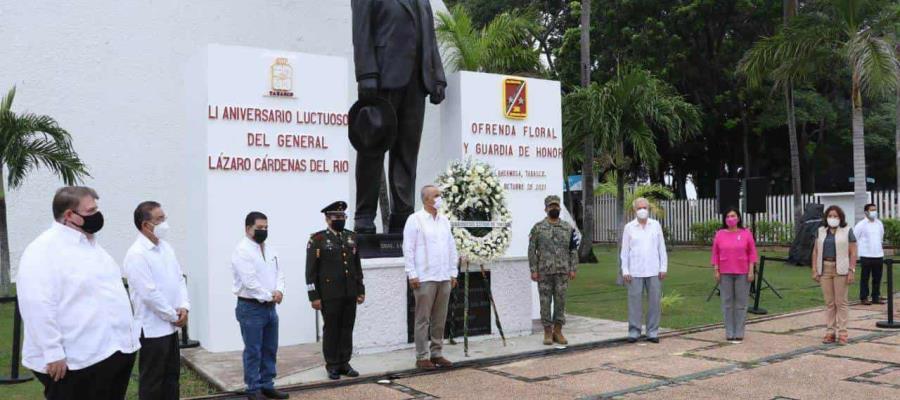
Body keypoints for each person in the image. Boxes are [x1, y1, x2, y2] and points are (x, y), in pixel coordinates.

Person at [18, 186, 140, 400]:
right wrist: (52, 352)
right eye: (91, 211)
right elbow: (36, 304)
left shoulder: (91, 245)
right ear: (69, 215)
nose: (97, 215)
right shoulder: (43, 250)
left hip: (113, 351)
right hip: (77, 361)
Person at [351, 0, 447, 234]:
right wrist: (366, 74)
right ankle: (364, 216)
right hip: (382, 76)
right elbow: (361, 30)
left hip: (417, 81)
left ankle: (403, 215)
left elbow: (429, 37)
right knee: (372, 148)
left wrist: (437, 76)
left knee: (407, 151)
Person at [124, 201, 190, 400]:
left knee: (171, 378)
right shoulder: (137, 254)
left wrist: (184, 307)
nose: (165, 223)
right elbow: (149, 294)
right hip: (152, 329)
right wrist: (173, 316)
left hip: (171, 327)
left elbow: (179, 279)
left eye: (164, 218)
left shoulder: (166, 248)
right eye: (160, 219)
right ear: (146, 225)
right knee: (153, 382)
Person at [231, 212, 289, 400]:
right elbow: (250, 283)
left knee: (270, 348)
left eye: (266, 228)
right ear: (248, 229)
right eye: (259, 228)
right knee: (253, 350)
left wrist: (279, 290)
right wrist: (270, 295)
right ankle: (253, 388)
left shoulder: (270, 249)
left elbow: (279, 273)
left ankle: (267, 384)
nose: (264, 231)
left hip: (270, 307)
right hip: (251, 307)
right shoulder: (242, 251)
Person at [306, 201, 365, 380]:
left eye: (342, 216)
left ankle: (344, 362)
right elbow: (310, 271)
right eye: (336, 217)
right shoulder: (317, 240)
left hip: (349, 291)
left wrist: (360, 289)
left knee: (347, 327)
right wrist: (313, 296)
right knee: (331, 329)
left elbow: (356, 265)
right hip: (329, 294)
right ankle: (332, 364)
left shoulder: (351, 237)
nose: (340, 219)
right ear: (327, 219)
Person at [402, 185, 458, 370]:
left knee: (440, 318)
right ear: (426, 199)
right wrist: (411, 273)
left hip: (443, 276)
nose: (440, 198)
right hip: (425, 276)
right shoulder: (415, 219)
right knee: (422, 319)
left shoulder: (444, 220)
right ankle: (422, 356)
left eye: (440, 195)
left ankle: (437, 353)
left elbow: (451, 247)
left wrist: (453, 272)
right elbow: (408, 248)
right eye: (436, 195)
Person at [528, 195, 578, 345]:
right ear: (546, 209)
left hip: (562, 272)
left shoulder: (568, 228)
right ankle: (547, 332)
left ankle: (558, 331)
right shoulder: (538, 228)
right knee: (545, 302)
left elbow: (573, 250)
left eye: (556, 206)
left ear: (560, 208)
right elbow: (532, 250)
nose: (554, 208)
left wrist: (573, 268)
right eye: (551, 206)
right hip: (544, 272)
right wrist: (533, 269)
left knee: (560, 302)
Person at [620, 197, 668, 344]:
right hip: (634, 271)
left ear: (648, 209)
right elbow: (624, 251)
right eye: (639, 208)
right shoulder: (629, 227)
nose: (642, 210)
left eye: (644, 208)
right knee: (634, 303)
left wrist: (663, 267)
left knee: (654, 302)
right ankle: (634, 331)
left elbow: (661, 248)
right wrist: (625, 270)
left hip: (654, 270)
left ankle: (652, 332)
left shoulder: (655, 225)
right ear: (635, 210)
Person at [710, 208, 757, 343]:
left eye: (733, 216)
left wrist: (751, 270)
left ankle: (739, 331)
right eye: (728, 216)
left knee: (741, 303)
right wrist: (716, 270)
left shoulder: (746, 233)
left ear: (738, 217)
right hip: (725, 272)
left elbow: (752, 253)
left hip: (743, 272)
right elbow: (715, 253)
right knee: (727, 302)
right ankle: (729, 331)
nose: (731, 218)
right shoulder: (719, 234)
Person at [812, 205, 857, 345]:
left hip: (841, 269)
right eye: (830, 216)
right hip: (825, 268)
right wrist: (814, 269)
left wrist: (851, 270)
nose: (832, 218)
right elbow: (815, 251)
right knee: (829, 302)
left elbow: (853, 252)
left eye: (835, 216)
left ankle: (843, 332)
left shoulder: (847, 230)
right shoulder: (820, 231)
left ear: (840, 217)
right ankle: (830, 332)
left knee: (841, 302)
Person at [854, 203, 884, 305]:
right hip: (866, 255)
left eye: (875, 210)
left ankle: (876, 297)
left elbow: (881, 237)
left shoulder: (879, 223)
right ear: (866, 212)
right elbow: (855, 238)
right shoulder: (861, 224)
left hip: (878, 254)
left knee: (877, 277)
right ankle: (864, 297)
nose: (874, 212)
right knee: (865, 278)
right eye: (872, 210)